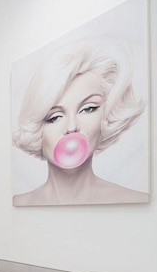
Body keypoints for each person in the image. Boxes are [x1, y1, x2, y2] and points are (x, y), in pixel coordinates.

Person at [12, 36, 147, 206]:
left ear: (107, 116)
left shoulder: (134, 200)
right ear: (38, 129)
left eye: (88, 109)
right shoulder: (19, 202)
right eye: (55, 117)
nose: (72, 127)